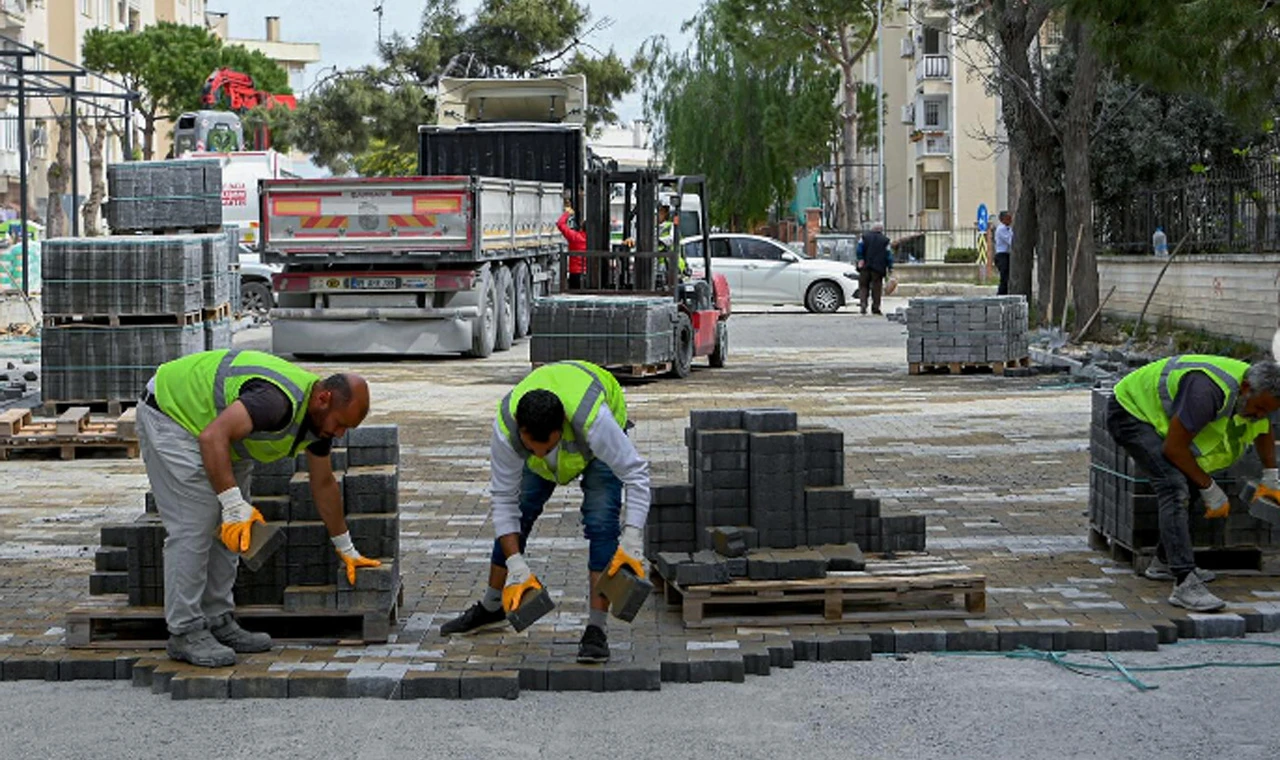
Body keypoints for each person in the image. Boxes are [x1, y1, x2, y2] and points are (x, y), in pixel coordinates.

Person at [136, 349, 382, 667]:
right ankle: (184, 631)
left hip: (218, 432)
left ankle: (217, 619)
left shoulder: (318, 421)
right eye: (340, 424)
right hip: (173, 416)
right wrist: (231, 502)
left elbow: (323, 484)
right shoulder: (275, 403)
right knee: (194, 525)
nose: (339, 434)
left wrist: (346, 548)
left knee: (235, 529)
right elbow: (212, 437)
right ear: (324, 399)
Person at [440, 360, 651, 664]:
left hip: (596, 450)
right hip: (550, 438)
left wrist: (632, 539)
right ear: (521, 430)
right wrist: (515, 565)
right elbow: (503, 500)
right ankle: (492, 606)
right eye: (531, 448)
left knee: (601, 522)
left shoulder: (595, 421)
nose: (538, 454)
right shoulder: (506, 429)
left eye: (547, 447)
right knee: (520, 511)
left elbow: (637, 475)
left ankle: (596, 629)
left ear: (560, 428)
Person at [1106, 355, 1280, 612]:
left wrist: (1271, 474)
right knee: (1174, 486)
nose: (1260, 415)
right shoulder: (1206, 392)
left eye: (1267, 411)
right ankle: (1185, 582)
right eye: (1259, 408)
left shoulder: (1254, 389)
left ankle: (1165, 561)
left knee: (1192, 480)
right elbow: (1174, 449)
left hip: (1161, 417)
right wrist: (1209, 487)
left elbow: (1263, 429)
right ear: (1246, 390)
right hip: (1130, 411)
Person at [855, 222, 894, 315]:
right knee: (877, 288)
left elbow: (859, 249)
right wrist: (890, 266)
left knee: (863, 286)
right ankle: (875, 308)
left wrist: (860, 259)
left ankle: (863, 304)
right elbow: (889, 254)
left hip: (865, 266)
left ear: (872, 229)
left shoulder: (864, 237)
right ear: (881, 230)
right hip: (878, 268)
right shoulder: (885, 240)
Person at [556, 205, 588, 289]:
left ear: (582, 228)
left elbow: (560, 224)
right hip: (590, 274)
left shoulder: (575, 237)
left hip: (575, 273)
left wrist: (567, 213)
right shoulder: (596, 240)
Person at [994, 210, 1013, 295]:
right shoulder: (1001, 229)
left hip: (1007, 254)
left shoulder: (1008, 229)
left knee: (1007, 276)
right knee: (1004, 277)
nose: (1010, 220)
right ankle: (1001, 294)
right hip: (1002, 255)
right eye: (1008, 218)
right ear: (1003, 219)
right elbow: (1010, 241)